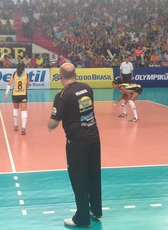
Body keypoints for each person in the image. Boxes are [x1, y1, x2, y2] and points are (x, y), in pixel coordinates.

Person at [47, 63, 102, 228]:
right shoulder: (87, 88)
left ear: (60, 76)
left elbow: (53, 123)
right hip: (94, 138)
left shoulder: (62, 95)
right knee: (93, 174)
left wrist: (49, 121)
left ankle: (82, 218)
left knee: (78, 178)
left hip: (77, 142)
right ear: (75, 73)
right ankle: (96, 210)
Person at [4, 63, 29, 135]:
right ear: (24, 68)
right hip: (23, 94)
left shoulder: (14, 74)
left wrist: (6, 93)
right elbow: (27, 86)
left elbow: (9, 84)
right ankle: (23, 127)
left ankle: (15, 125)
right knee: (23, 111)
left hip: (15, 94)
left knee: (15, 109)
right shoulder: (26, 75)